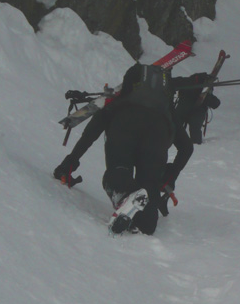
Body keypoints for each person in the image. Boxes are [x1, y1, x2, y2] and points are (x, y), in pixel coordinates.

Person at [53, 63, 174, 235]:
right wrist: (168, 177)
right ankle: (144, 220)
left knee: (117, 173)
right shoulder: (165, 110)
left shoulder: (117, 102)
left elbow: (90, 135)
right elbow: (185, 147)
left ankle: (126, 196)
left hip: (124, 129)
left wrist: (69, 164)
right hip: (159, 137)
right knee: (148, 193)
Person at [160, 72, 221, 200]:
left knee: (186, 127)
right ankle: (193, 144)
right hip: (187, 112)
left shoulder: (188, 84)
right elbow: (216, 103)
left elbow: (215, 103)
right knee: (188, 130)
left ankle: (193, 145)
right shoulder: (190, 84)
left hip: (187, 112)